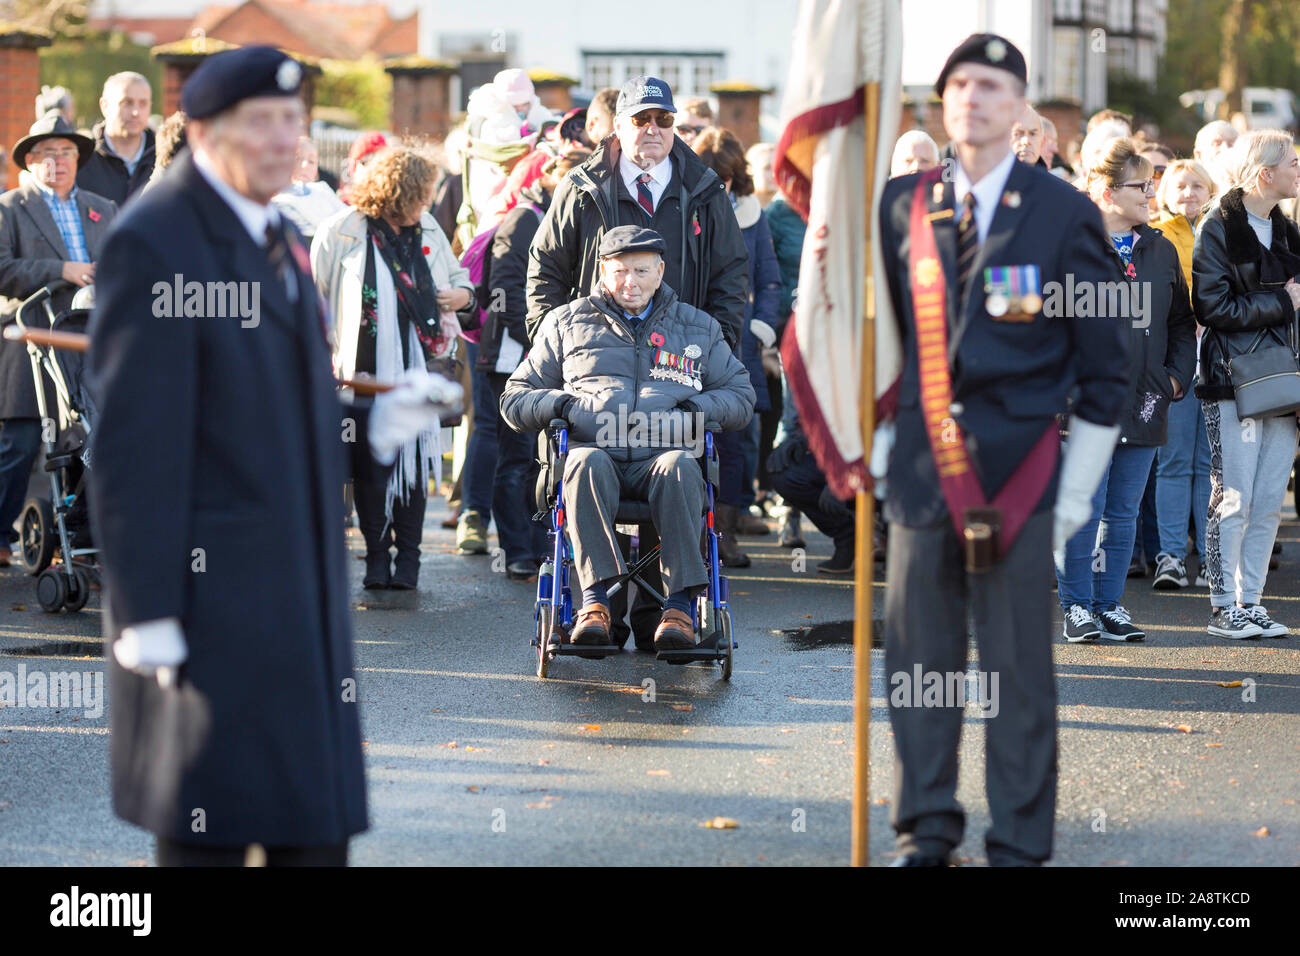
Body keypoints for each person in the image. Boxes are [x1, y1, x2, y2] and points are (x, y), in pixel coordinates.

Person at [86, 46, 452, 866]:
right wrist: (145, 607)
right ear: (209, 132)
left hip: (297, 590)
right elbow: (134, 442)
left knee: (311, 828)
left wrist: (374, 415)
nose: (288, 140)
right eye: (266, 122)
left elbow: (277, 390)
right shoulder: (158, 240)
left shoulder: (273, 229)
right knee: (210, 830)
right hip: (203, 600)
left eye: (295, 121)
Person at [877, 34, 1128, 866]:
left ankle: (1018, 842)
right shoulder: (901, 206)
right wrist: (878, 451)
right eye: (958, 84)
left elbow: (1104, 371)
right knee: (921, 663)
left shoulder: (1063, 213)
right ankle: (927, 826)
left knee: (1019, 674)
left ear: (1020, 105)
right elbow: (888, 348)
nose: (971, 98)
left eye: (991, 85)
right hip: (922, 475)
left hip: (1022, 477)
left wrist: (1072, 499)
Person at [527, 74, 751, 628]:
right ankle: (598, 607)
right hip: (596, 361)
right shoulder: (581, 187)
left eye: (664, 120)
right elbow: (545, 270)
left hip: (677, 362)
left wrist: (708, 345)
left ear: (675, 127)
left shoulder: (704, 191)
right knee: (594, 461)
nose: (652, 130)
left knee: (671, 464)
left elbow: (729, 275)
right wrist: (560, 344)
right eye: (640, 120)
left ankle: (664, 613)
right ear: (619, 127)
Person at [501, 225, 755, 650]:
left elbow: (741, 397)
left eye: (641, 271)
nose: (630, 282)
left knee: (679, 465)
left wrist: (694, 411)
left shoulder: (697, 327)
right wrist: (562, 405)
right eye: (619, 271)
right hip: (597, 454)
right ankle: (595, 603)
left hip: (663, 456)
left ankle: (677, 609)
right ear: (602, 271)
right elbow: (514, 399)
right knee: (583, 462)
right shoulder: (565, 323)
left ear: (660, 272)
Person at [312, 145, 477, 590]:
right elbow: (317, 299)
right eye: (421, 195)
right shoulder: (342, 230)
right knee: (369, 468)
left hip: (419, 367)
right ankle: (375, 557)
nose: (427, 205)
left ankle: (409, 560)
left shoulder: (426, 228)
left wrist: (462, 297)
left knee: (416, 460)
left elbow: (461, 280)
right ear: (397, 192)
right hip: (360, 372)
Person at [1054, 138, 1197, 643]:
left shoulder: (1158, 249)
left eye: (1152, 183)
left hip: (1145, 401)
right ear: (1107, 191)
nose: (1151, 191)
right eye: (1141, 185)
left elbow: (1182, 323)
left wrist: (1176, 376)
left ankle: (1109, 605)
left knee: (1123, 512)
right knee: (1082, 508)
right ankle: (1076, 606)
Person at [1192, 128, 1300, 640]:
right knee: (1232, 496)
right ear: (1265, 172)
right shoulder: (1218, 226)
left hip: (1284, 382)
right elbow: (1212, 308)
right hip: (1232, 380)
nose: (1299, 170)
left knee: (1268, 497)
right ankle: (1221, 606)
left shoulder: (1286, 231)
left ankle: (1251, 600)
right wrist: (1283, 302)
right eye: (1293, 162)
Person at [0, 113, 117, 568]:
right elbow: (3, 270)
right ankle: (1, 534)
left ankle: (78, 533)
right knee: (23, 441)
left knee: (87, 436)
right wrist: (60, 270)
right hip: (32, 335)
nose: (58, 161)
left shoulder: (102, 207)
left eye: (66, 152)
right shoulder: (10, 207)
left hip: (92, 338)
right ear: (30, 162)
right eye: (47, 153)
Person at [476, 148, 591, 580]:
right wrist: (548, 340)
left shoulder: (568, 219)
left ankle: (543, 542)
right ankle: (516, 548)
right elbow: (503, 291)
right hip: (513, 356)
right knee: (517, 455)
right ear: (547, 174)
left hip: (553, 356)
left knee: (548, 455)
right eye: (568, 174)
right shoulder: (522, 219)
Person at [693, 126, 781, 544]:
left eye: (725, 176)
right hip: (691, 334)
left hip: (740, 337)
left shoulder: (750, 212)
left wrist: (761, 328)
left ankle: (726, 526)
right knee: (693, 429)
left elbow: (769, 279)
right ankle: (697, 523)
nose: (720, 184)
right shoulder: (686, 204)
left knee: (736, 430)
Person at [1150, 159, 1217, 590]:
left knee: (1209, 464)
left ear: (1210, 191)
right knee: (1174, 462)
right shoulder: (1156, 237)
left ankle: (1211, 556)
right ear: (1164, 193)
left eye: (1197, 185)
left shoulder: (1221, 231)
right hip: (1175, 360)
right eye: (1180, 185)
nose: (1189, 192)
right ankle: (1171, 555)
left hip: (1215, 359)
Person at [75, 72, 155, 207]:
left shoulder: (166, 159)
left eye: (143, 103)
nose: (136, 112)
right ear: (104, 106)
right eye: (127, 103)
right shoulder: (82, 160)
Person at [273, 135, 345, 240]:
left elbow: (346, 216)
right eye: (298, 158)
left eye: (311, 161)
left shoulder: (323, 190)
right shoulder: (280, 202)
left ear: (316, 172)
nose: (305, 165)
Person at [1194, 120, 1239, 195]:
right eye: (1216, 143)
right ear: (1199, 155)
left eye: (1232, 143)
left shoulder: (1252, 193)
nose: (1226, 148)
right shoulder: (1190, 195)